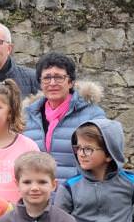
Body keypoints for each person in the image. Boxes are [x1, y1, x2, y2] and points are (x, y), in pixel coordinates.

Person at [22, 52, 106, 181]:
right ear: (40, 83)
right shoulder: (28, 116)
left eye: (58, 77)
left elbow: (101, 158)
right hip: (38, 195)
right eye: (47, 78)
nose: (52, 83)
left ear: (71, 82)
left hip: (76, 194)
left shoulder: (92, 115)